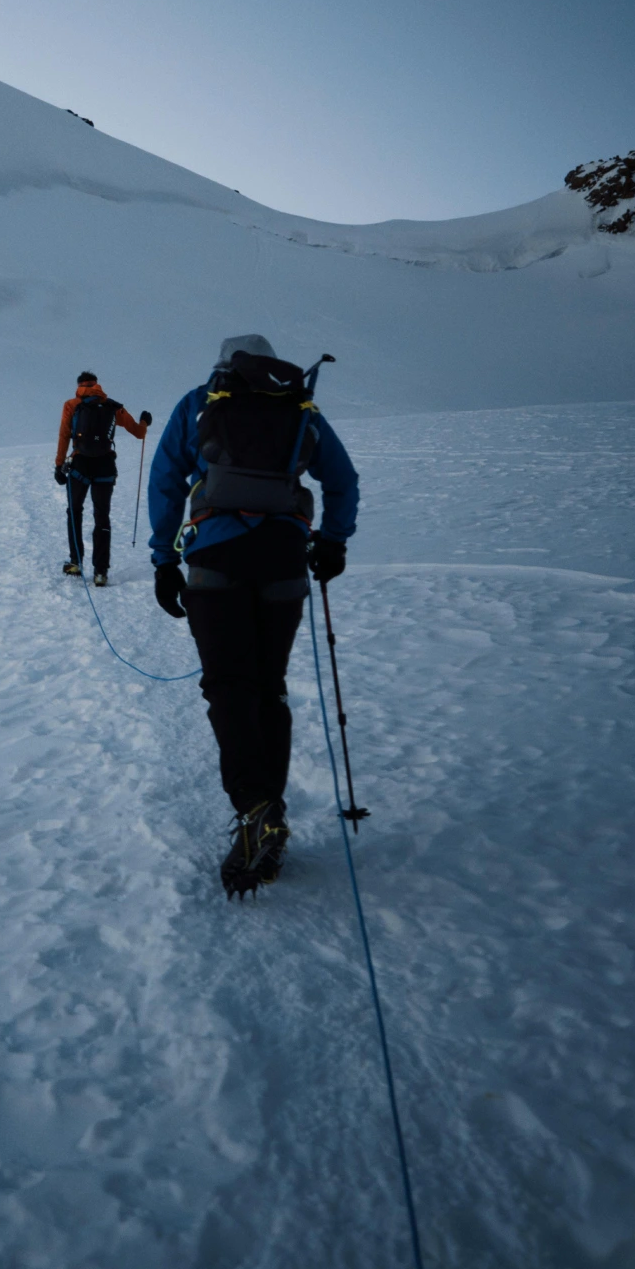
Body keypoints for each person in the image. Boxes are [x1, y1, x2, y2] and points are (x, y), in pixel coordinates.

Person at [148, 334, 358, 897]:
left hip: (215, 558)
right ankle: (270, 814)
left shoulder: (200, 402)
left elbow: (166, 479)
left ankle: (254, 808)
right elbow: (342, 480)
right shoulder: (298, 407)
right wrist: (332, 542)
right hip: (284, 560)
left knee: (227, 686)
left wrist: (164, 558)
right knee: (268, 687)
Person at [55, 372, 151, 585]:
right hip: (105, 466)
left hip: (80, 464)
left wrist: (59, 465)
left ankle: (75, 563)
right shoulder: (112, 406)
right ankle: (100, 572)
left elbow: (64, 434)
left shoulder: (71, 404)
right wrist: (145, 421)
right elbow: (138, 433)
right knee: (102, 516)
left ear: (79, 385)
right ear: (97, 384)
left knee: (74, 512)